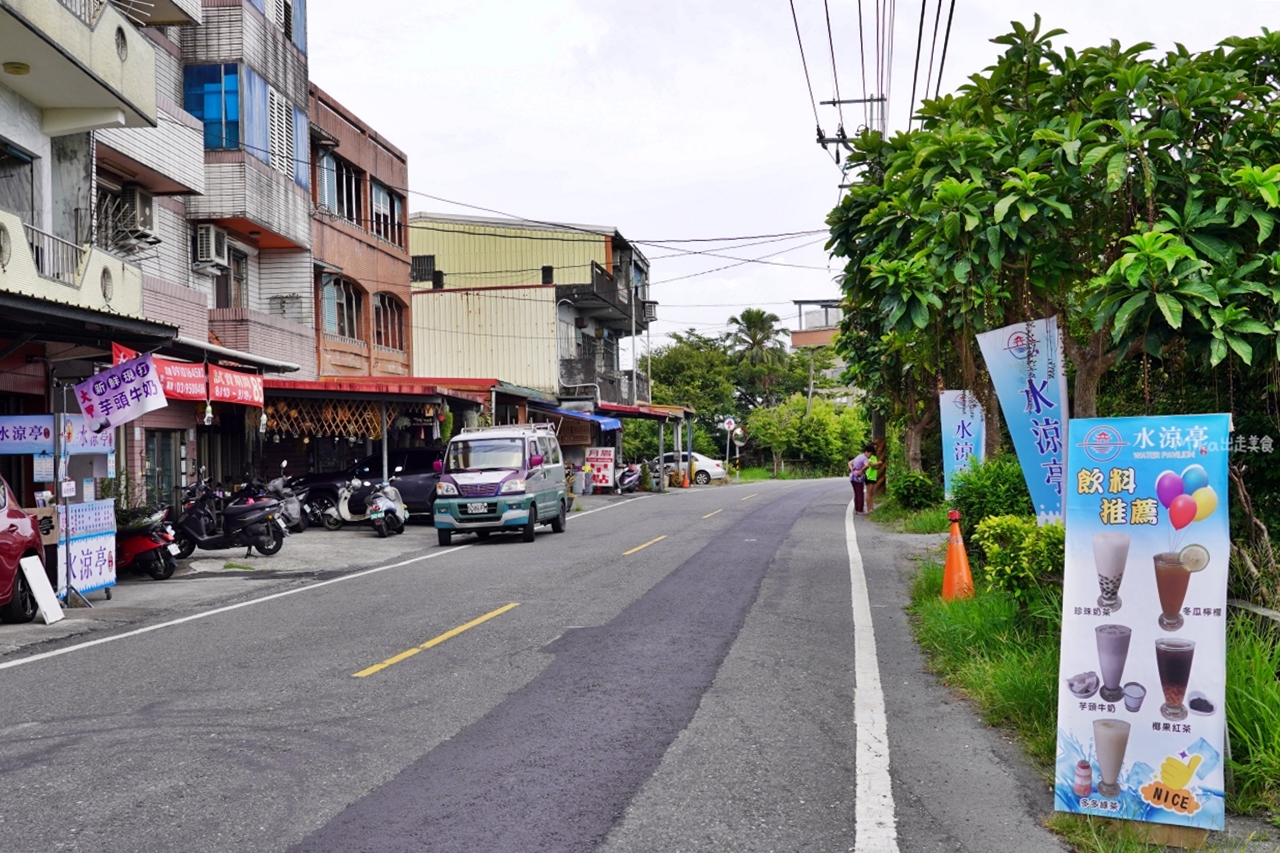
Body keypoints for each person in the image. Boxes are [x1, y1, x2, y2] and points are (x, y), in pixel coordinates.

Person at [849, 445, 870, 514]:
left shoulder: (859, 456)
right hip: (858, 477)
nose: (870, 455)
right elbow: (867, 465)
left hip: (852, 476)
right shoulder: (864, 458)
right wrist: (862, 470)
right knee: (860, 493)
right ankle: (860, 510)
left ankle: (857, 509)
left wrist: (852, 469)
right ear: (866, 452)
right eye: (870, 453)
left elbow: (849, 463)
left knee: (856, 493)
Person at [863, 444, 881, 512]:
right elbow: (871, 464)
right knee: (869, 492)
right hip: (869, 476)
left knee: (871, 493)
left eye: (876, 448)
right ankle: (869, 508)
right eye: (874, 448)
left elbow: (875, 466)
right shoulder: (869, 456)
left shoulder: (874, 456)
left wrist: (877, 465)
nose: (875, 449)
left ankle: (871, 507)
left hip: (873, 476)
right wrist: (879, 463)